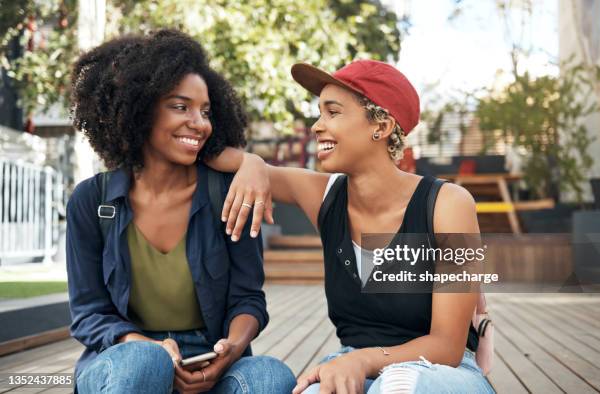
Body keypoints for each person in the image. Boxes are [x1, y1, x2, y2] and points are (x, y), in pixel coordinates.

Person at [206, 60, 495, 393]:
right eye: (319, 113)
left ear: (381, 126)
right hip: (353, 364)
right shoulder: (323, 195)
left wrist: (362, 361)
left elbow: (448, 346)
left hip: (440, 372)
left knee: (398, 386)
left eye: (333, 112)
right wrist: (252, 162)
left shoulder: (451, 203)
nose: (317, 125)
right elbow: (205, 150)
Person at [66, 29, 295, 394]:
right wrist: (143, 344)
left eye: (205, 111)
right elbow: (88, 313)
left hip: (209, 359)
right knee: (147, 361)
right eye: (180, 106)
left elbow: (247, 299)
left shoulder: (228, 193)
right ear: (139, 109)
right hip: (125, 358)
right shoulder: (91, 202)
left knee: (270, 375)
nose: (199, 123)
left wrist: (231, 349)